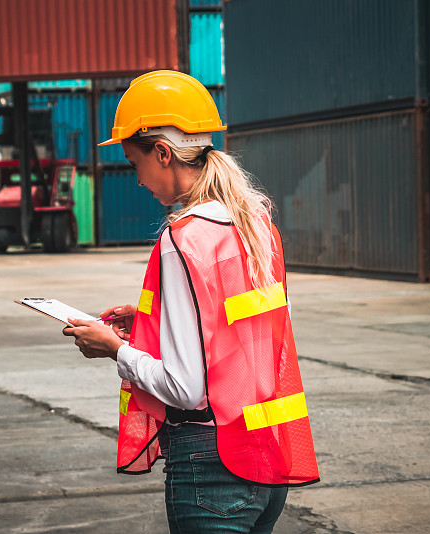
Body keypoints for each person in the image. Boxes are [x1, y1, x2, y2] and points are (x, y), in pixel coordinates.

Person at [62, 71, 320, 533]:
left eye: (134, 163)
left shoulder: (181, 238)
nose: (138, 180)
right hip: (265, 458)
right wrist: (150, 319)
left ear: (162, 152)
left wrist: (114, 348)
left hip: (212, 464)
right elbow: (233, 328)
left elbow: (185, 389)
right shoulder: (255, 221)